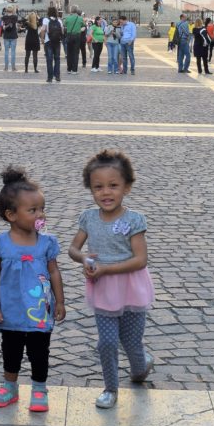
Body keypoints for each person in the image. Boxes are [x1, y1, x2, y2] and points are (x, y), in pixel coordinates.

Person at [67, 149, 154, 410]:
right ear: (91, 189)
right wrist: (83, 259)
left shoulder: (134, 220)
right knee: (106, 341)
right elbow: (73, 249)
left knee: (131, 341)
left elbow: (141, 260)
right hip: (103, 288)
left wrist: (107, 268)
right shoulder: (89, 218)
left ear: (127, 187)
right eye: (98, 187)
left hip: (131, 287)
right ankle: (110, 388)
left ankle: (141, 366)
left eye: (113, 186)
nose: (106, 193)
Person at [0, 166, 65, 412]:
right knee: (11, 348)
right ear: (11, 215)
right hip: (11, 308)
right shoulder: (0, 243)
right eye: (33, 210)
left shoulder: (46, 242)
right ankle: (10, 387)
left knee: (40, 349)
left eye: (42, 208)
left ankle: (39, 388)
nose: (40, 214)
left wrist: (60, 301)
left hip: (39, 309)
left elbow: (54, 272)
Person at [42, 6, 62, 84]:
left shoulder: (46, 20)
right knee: (57, 59)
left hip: (48, 41)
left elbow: (43, 30)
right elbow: (62, 31)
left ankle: (50, 77)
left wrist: (42, 39)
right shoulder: (59, 21)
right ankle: (57, 76)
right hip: (57, 42)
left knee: (49, 59)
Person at [63, 6, 85, 74]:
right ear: (77, 10)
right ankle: (74, 70)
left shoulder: (67, 18)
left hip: (69, 35)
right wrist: (79, 30)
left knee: (69, 53)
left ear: (71, 10)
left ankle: (69, 69)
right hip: (77, 36)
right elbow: (83, 27)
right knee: (76, 53)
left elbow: (64, 25)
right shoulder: (80, 18)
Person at [1, 5, 19, 72]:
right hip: (13, 35)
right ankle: (13, 67)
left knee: (6, 52)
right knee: (13, 52)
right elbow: (16, 26)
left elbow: (3, 27)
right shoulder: (15, 17)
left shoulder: (4, 17)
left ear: (6, 10)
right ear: (12, 10)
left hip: (6, 36)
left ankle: (6, 67)